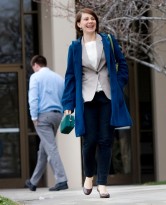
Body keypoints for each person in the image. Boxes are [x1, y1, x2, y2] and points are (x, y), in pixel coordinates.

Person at [62, 8, 132, 198]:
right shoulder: (74, 48)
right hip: (86, 99)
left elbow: (122, 64)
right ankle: (89, 176)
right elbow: (70, 77)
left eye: (92, 19)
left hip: (107, 97)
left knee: (106, 140)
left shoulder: (108, 41)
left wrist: (118, 83)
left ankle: (102, 183)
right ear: (79, 24)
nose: (90, 22)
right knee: (89, 141)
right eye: (86, 19)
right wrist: (68, 105)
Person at [25, 55, 68, 191]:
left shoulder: (35, 77)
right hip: (57, 116)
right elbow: (65, 98)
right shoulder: (58, 78)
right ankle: (33, 182)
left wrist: (33, 118)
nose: (33, 70)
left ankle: (62, 180)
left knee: (51, 148)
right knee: (43, 150)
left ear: (36, 65)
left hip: (43, 117)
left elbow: (33, 98)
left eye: (33, 68)